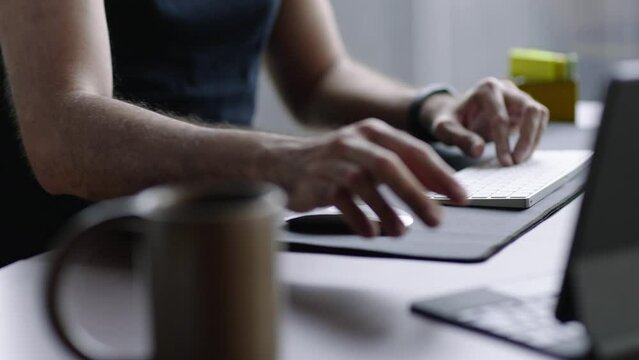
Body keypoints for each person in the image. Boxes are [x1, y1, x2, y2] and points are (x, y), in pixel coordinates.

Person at [0, 0, 548, 266]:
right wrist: (275, 162)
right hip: (68, 258)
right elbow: (61, 132)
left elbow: (318, 76)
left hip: (224, 235)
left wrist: (433, 107)